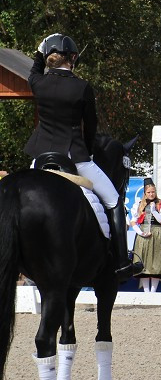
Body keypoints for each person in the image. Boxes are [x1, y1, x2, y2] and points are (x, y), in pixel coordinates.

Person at [24, 33, 139, 279]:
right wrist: (86, 152)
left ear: (48, 58)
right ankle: (121, 262)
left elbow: (34, 69)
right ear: (73, 58)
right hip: (73, 155)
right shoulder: (81, 87)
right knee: (113, 200)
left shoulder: (38, 82)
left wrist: (39, 49)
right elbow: (91, 125)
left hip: (39, 156)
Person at [130, 178, 161, 292]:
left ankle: (153, 292)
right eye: (149, 192)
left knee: (156, 261)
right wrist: (140, 232)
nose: (151, 194)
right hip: (143, 233)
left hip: (156, 232)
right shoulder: (139, 205)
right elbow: (133, 221)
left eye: (153, 192)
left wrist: (154, 211)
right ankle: (146, 292)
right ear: (145, 193)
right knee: (144, 262)